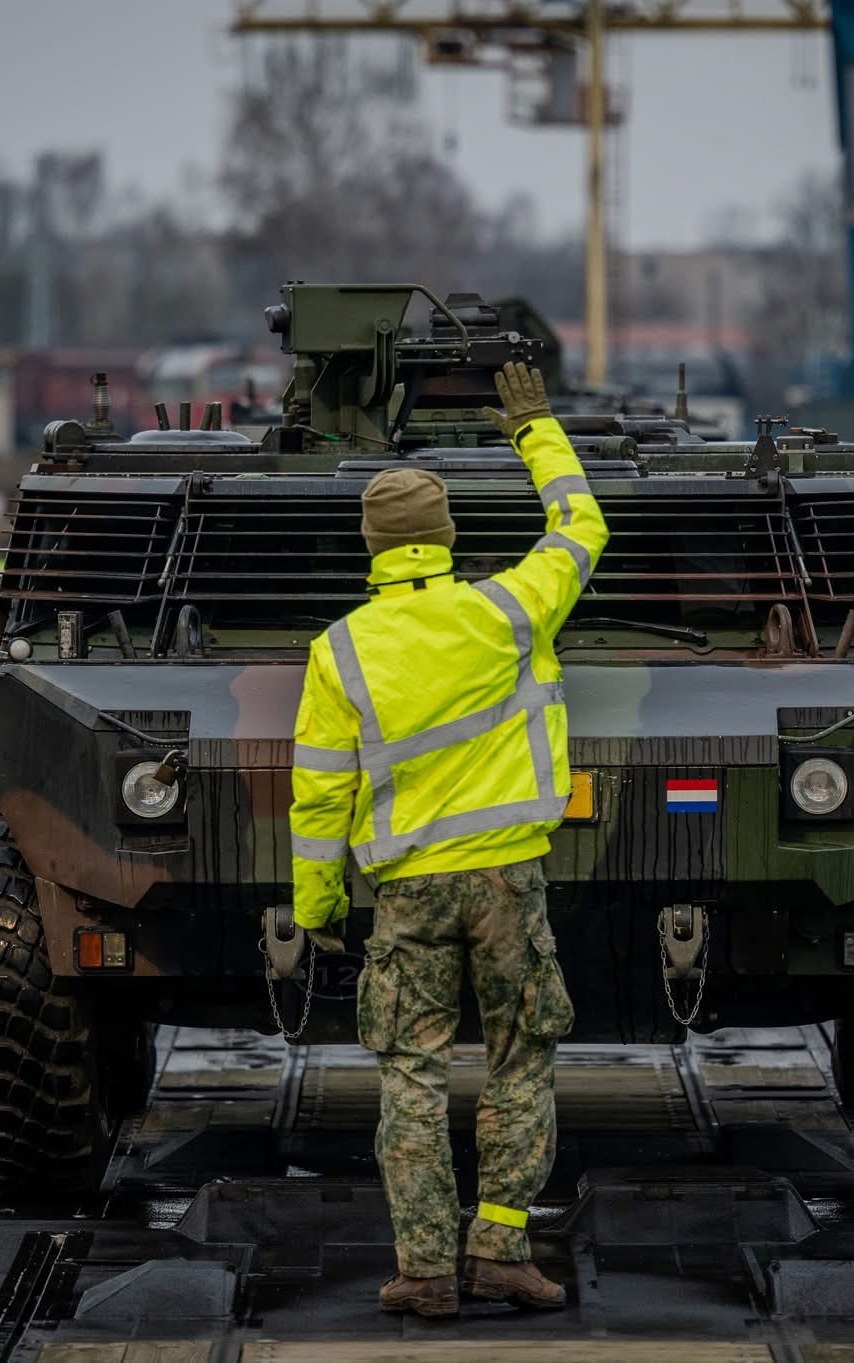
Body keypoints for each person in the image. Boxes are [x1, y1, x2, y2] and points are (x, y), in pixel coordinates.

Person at [287, 362, 608, 1319]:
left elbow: (318, 797)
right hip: (508, 879)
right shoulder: (507, 610)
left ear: (373, 547)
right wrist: (536, 428)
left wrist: (319, 906)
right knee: (520, 1058)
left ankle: (425, 1271)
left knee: (411, 1073)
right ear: (448, 535)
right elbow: (582, 526)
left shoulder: (338, 651)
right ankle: (500, 1246)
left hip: (410, 890)